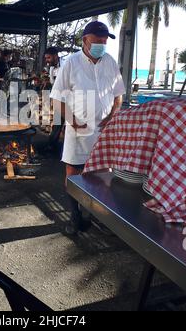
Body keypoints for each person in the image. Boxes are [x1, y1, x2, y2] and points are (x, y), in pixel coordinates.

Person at [50, 21, 126, 234]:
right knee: (73, 172)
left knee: (101, 174)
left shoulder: (110, 62)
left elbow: (118, 95)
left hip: (103, 131)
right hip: (78, 130)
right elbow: (57, 99)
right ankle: (75, 217)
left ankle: (96, 216)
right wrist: (72, 121)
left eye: (104, 42)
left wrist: (112, 116)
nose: (101, 45)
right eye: (97, 41)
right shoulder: (72, 63)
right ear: (85, 40)